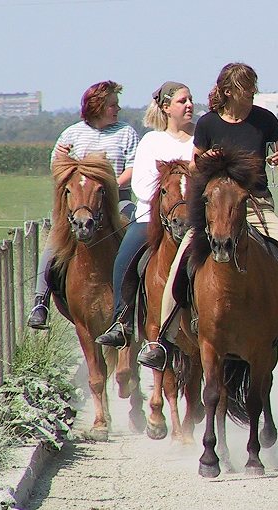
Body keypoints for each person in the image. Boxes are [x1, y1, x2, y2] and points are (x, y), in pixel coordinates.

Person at [137, 63, 278, 373]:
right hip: (215, 213)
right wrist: (204, 161)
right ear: (228, 93)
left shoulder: (264, 119)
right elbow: (194, 167)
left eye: (253, 90)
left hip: (256, 207)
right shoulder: (208, 124)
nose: (252, 96)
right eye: (246, 91)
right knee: (180, 261)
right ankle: (164, 340)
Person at [27, 81, 139, 330]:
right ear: (97, 106)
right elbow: (58, 169)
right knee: (54, 242)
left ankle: (142, 297)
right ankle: (40, 302)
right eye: (112, 104)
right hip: (79, 204)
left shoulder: (126, 133)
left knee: (136, 231)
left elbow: (133, 167)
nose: (117, 108)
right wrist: (63, 163)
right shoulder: (71, 134)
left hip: (117, 199)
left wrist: (108, 186)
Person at [95, 81, 196, 348]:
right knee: (125, 259)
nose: (189, 105)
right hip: (151, 219)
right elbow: (141, 185)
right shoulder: (152, 141)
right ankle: (122, 321)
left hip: (194, 220)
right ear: (166, 107)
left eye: (190, 100)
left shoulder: (201, 139)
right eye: (182, 101)